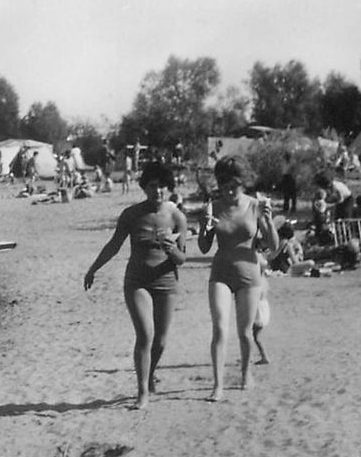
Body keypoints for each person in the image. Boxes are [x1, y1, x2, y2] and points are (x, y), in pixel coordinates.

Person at [83, 161, 188, 409]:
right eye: (153, 186)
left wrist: (172, 250)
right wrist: (93, 268)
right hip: (137, 281)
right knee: (145, 335)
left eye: (163, 186)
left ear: (169, 187)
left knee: (160, 341)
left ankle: (149, 373)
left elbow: (183, 258)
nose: (158, 191)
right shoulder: (131, 214)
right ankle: (142, 392)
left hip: (166, 282)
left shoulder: (176, 216)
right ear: (144, 187)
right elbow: (113, 245)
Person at [197, 156, 279, 402]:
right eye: (224, 184)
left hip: (249, 275)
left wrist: (268, 221)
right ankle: (218, 385)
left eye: (234, 184)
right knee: (220, 329)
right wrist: (204, 227)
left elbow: (273, 248)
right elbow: (203, 248)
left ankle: (246, 374)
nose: (229, 190)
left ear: (243, 183)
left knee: (245, 332)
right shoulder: (215, 206)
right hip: (221, 273)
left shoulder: (256, 205)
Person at [252, 276, 271, 365]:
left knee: (255, 336)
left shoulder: (257, 280)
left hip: (257, 310)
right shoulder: (264, 280)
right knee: (253, 336)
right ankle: (250, 355)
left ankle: (264, 356)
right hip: (263, 308)